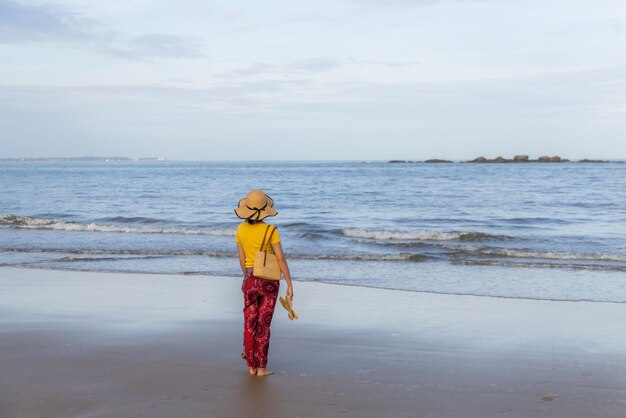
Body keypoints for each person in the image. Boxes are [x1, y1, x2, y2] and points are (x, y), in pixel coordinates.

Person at [234, 189, 294, 376]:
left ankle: (251, 367)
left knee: (249, 323)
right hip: (268, 282)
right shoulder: (271, 230)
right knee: (264, 324)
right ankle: (262, 368)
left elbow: (242, 258)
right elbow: (281, 259)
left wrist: (248, 276)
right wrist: (290, 284)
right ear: (264, 210)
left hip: (250, 279)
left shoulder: (240, 229)